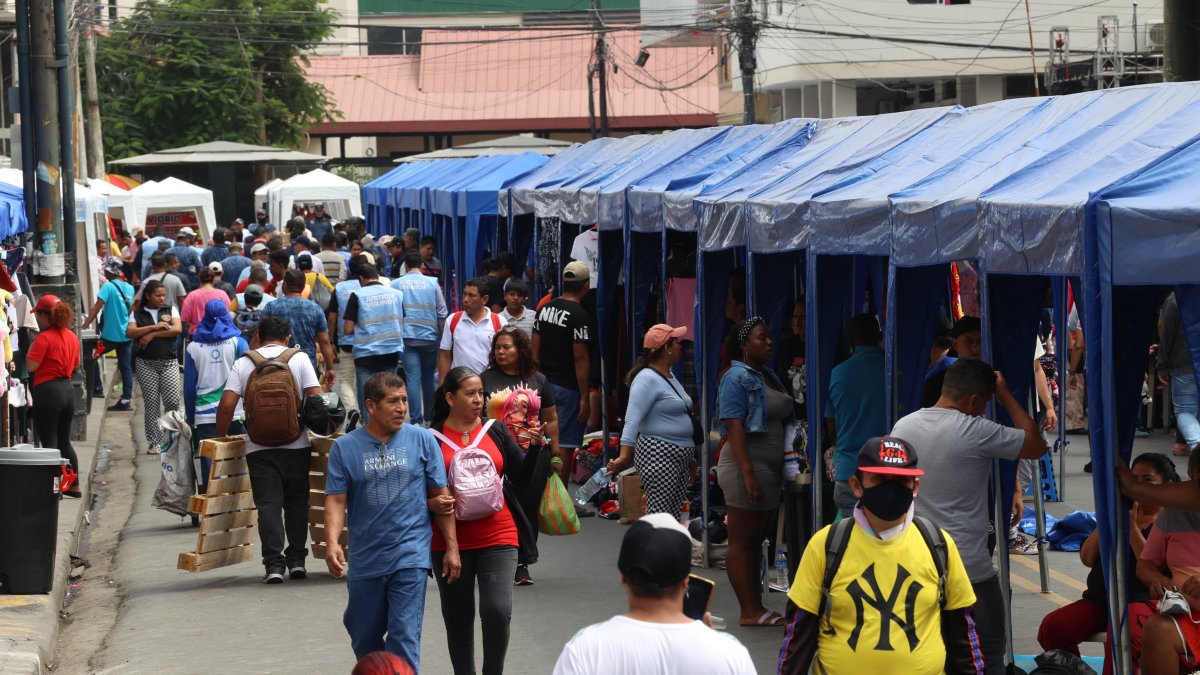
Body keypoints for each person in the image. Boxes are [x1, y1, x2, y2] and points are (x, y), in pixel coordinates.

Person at [890, 358, 1047, 674]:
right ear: (975, 400)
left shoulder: (902, 427)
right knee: (987, 656)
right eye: (985, 404)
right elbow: (1036, 445)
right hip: (969, 570)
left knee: (924, 657)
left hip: (915, 566)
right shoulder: (976, 430)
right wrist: (1006, 397)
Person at [778, 437, 982, 674]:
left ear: (915, 487)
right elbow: (797, 637)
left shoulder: (937, 544)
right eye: (880, 478)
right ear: (856, 485)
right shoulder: (826, 545)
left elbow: (964, 637)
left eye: (901, 480)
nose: (891, 488)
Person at [324, 372, 461, 668]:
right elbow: (336, 499)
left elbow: (443, 498)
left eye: (404, 400)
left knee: (404, 636)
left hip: (410, 556)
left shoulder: (423, 440)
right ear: (371, 406)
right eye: (393, 401)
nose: (402, 408)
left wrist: (452, 548)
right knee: (363, 636)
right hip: (365, 559)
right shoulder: (344, 448)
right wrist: (332, 542)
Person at [428, 367, 542, 675]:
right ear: (450, 398)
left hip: (499, 533)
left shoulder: (495, 429)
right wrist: (431, 502)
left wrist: (534, 449)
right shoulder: (431, 438)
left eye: (481, 393)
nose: (479, 399)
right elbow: (420, 491)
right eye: (470, 393)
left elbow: (519, 477)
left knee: (497, 610)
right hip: (449, 542)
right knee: (458, 617)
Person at [552, 513, 756, 675]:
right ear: (686, 580)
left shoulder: (586, 648)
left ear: (624, 577)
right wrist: (708, 640)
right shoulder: (729, 653)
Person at [1036, 453, 1176, 659]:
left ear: (1168, 484)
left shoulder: (1172, 521)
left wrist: (1131, 529)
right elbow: (1087, 558)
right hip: (1102, 600)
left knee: (1123, 634)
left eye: (1147, 481)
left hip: (1146, 603)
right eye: (1133, 480)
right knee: (1054, 626)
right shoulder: (1120, 512)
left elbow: (1154, 567)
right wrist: (1106, 520)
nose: (1138, 487)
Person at [216, 316, 323, 583]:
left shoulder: (244, 362)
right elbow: (316, 398)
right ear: (287, 337)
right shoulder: (298, 359)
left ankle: (274, 565)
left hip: (258, 447)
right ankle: (297, 561)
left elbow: (227, 404)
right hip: (297, 443)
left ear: (258, 337)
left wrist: (222, 436)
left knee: (268, 506)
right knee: (298, 503)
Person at [715, 316, 793, 626]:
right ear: (744, 345)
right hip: (745, 467)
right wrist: (748, 474)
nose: (770, 342)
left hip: (766, 469)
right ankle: (749, 611)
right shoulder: (736, 377)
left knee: (755, 539)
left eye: (770, 336)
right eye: (762, 338)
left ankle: (756, 606)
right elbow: (733, 424)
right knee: (742, 541)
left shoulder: (768, 374)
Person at [480, 326, 560, 585]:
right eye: (497, 348)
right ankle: (498, 558)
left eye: (507, 347)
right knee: (500, 508)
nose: (500, 352)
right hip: (496, 454)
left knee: (527, 508)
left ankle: (522, 563)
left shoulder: (538, 379)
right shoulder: (485, 379)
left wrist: (555, 454)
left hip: (534, 454)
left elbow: (551, 418)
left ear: (520, 350)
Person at [607, 324, 694, 521]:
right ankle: (653, 551)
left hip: (677, 455)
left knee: (670, 517)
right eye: (677, 342)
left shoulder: (669, 376)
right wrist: (623, 456)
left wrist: (690, 459)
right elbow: (631, 420)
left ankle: (664, 551)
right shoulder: (646, 379)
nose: (681, 346)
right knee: (659, 516)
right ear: (667, 348)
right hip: (660, 455)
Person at [531, 261, 591, 482]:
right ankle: (561, 501)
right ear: (586, 286)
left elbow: (534, 353)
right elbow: (580, 357)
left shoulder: (545, 308)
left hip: (543, 385)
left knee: (543, 440)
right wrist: (584, 396)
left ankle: (543, 495)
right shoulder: (579, 315)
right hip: (567, 388)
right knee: (564, 444)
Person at [826, 314, 888, 519]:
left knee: (850, 541)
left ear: (851, 339)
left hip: (847, 471)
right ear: (880, 336)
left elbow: (832, 430)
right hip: (887, 469)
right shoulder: (893, 371)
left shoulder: (836, 374)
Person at [185, 299, 250, 492]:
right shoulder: (239, 343)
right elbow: (248, 379)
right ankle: (235, 503)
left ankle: (212, 504)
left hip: (205, 414)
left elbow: (189, 386)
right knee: (237, 456)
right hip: (235, 411)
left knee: (209, 459)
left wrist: (190, 416)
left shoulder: (193, 347)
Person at [28, 295, 82, 498]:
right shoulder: (71, 336)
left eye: (38, 315)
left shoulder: (44, 338)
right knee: (64, 441)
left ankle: (54, 490)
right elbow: (76, 365)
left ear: (45, 316)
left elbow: (32, 366)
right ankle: (74, 486)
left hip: (48, 391)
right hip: (67, 392)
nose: (37, 320)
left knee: (49, 442)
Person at [126, 280, 183, 453]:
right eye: (158, 295)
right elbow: (130, 332)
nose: (161, 298)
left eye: (163, 295)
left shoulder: (170, 309)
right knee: (151, 404)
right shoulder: (138, 313)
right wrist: (153, 326)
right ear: (148, 295)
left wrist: (152, 335)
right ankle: (154, 442)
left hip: (169, 362)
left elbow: (177, 329)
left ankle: (172, 437)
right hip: (146, 364)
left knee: (172, 401)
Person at [343, 264, 405, 421]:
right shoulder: (396, 294)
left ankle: (369, 428)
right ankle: (390, 424)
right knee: (390, 393)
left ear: (361, 279)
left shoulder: (357, 295)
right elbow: (401, 318)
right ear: (377, 276)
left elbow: (348, 329)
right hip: (391, 351)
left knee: (368, 394)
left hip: (365, 354)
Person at [393, 248, 448, 425]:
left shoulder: (396, 284)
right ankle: (430, 418)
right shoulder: (432, 283)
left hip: (407, 338)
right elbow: (442, 312)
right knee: (427, 379)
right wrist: (443, 338)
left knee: (413, 379)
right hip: (429, 337)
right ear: (422, 265)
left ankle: (416, 420)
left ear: (406, 266)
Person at [261, 268, 336, 388]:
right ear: (303, 287)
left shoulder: (271, 307)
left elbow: (259, 336)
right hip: (307, 365)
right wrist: (330, 368)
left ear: (285, 285)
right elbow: (324, 341)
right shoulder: (315, 308)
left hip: (277, 364)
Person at [81, 257, 135, 411]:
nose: (104, 271)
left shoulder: (108, 287)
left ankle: (97, 388)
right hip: (126, 335)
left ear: (110, 271)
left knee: (91, 356)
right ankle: (126, 399)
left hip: (109, 337)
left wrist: (85, 325)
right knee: (126, 367)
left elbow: (97, 307)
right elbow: (130, 310)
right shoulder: (129, 288)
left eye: (105, 269)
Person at [439, 277, 506, 382]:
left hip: (489, 384)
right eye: (465, 294)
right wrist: (442, 387)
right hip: (459, 383)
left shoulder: (499, 322)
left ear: (484, 299)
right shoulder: (453, 320)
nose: (465, 299)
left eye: (471, 296)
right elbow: (445, 355)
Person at [1159, 292, 1199, 455]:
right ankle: (1186, 445)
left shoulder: (1176, 297)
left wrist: (1162, 364)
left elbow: (1166, 332)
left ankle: (1196, 445)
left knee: (1185, 411)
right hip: (1185, 363)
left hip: (1184, 363)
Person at [329, 255, 367, 414]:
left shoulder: (339, 288)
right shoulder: (370, 287)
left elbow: (332, 317)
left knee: (345, 380)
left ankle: (352, 410)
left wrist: (331, 341)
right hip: (367, 342)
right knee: (365, 380)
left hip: (346, 342)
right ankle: (367, 414)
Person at [921, 316, 981, 408]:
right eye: (969, 341)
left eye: (980, 341)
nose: (975, 347)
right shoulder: (937, 381)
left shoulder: (994, 377)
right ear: (955, 344)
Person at [180, 267, 231, 336]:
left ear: (200, 279)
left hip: (198, 335)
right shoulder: (222, 294)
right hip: (219, 334)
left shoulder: (192, 295)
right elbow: (228, 313)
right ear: (213, 279)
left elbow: (185, 317)